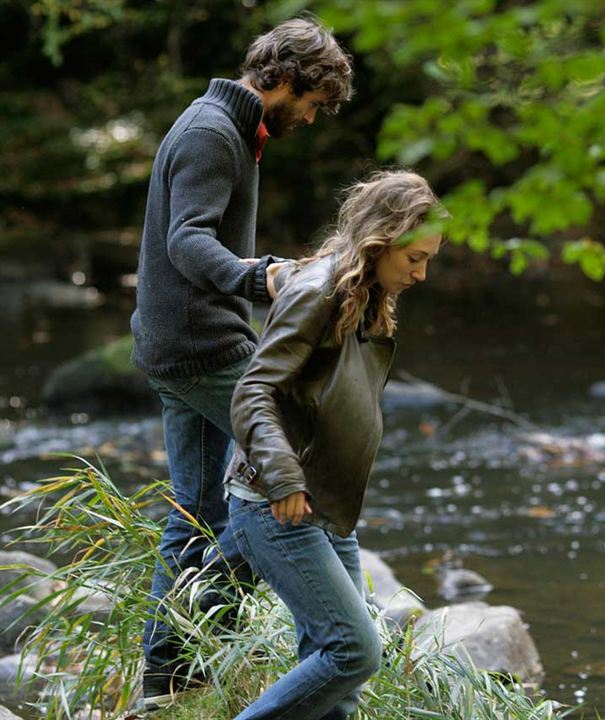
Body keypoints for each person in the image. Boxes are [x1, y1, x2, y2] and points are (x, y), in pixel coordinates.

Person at [128, 16, 353, 709]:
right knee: (285, 479)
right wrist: (261, 279)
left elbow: (202, 238)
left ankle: (169, 677)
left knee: (196, 510)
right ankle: (329, 653)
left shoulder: (225, 128)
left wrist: (269, 271)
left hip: (177, 344)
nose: (312, 119)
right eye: (312, 105)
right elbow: (187, 243)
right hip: (202, 349)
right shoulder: (209, 135)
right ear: (281, 79)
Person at [226, 170, 442, 720]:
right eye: (413, 258)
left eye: (428, 260)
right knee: (354, 652)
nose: (422, 274)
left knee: (336, 686)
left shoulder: (364, 295)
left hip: (328, 505)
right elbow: (254, 391)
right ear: (380, 239)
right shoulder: (317, 291)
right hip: (279, 505)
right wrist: (284, 478)